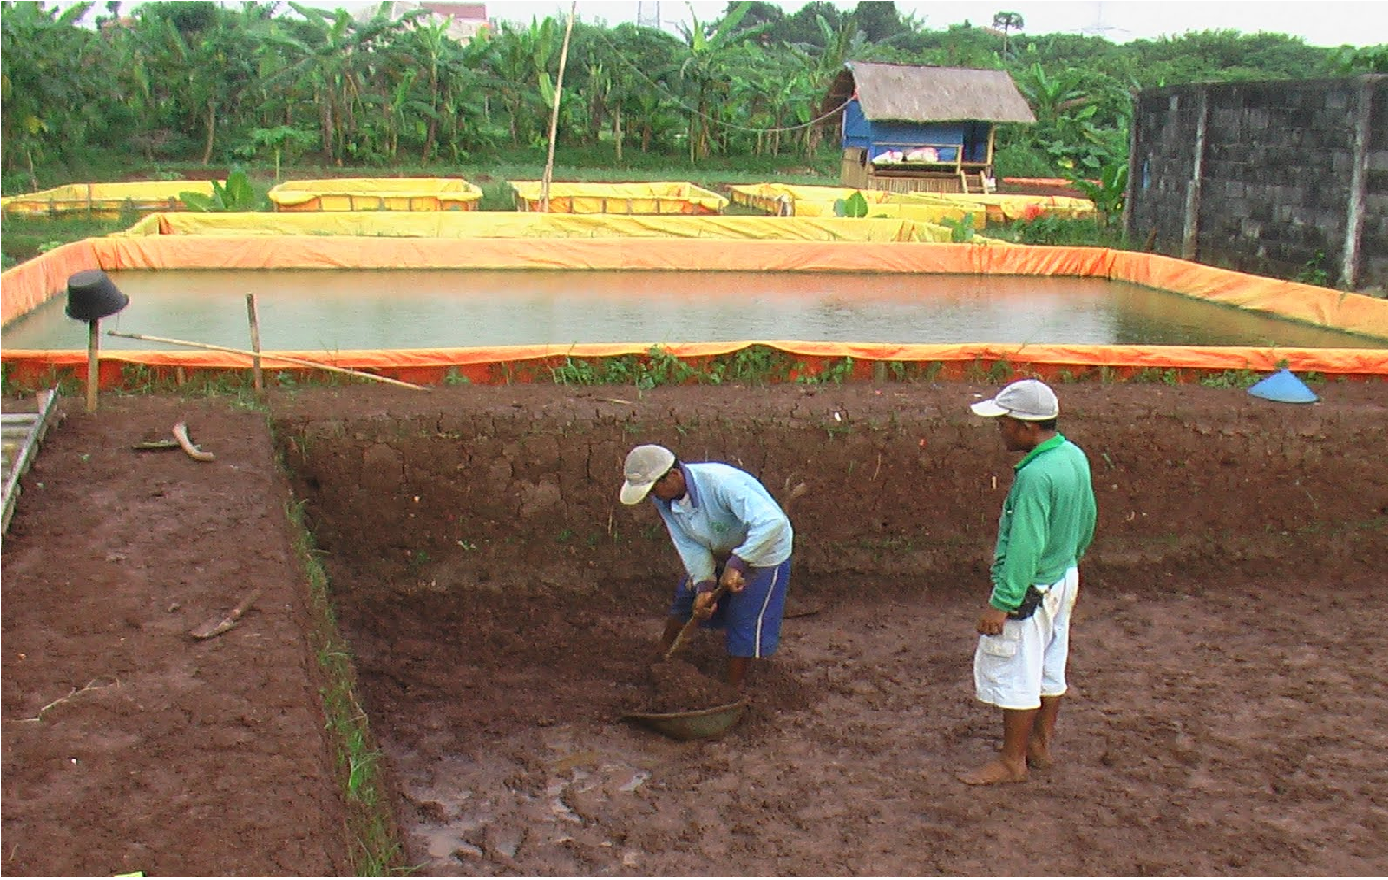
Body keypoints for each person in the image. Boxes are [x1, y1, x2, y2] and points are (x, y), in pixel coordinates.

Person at [959, 379, 1097, 785]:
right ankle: (1039, 744)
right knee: (1050, 666)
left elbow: (1025, 545)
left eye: (1004, 422)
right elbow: (1087, 518)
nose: (1000, 429)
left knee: (1017, 669)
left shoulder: (1035, 476)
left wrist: (1002, 601)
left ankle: (1011, 760)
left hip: (1032, 587)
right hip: (1063, 576)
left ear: (1025, 427)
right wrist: (1070, 560)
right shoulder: (1073, 457)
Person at [619, 444, 793, 689]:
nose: (653, 496)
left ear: (674, 476)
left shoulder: (721, 483)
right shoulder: (664, 499)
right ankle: (661, 659)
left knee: (744, 620)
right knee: (686, 601)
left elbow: (773, 523)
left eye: (654, 489)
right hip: (722, 550)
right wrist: (704, 585)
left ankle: (733, 690)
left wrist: (739, 562)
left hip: (764, 551)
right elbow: (688, 543)